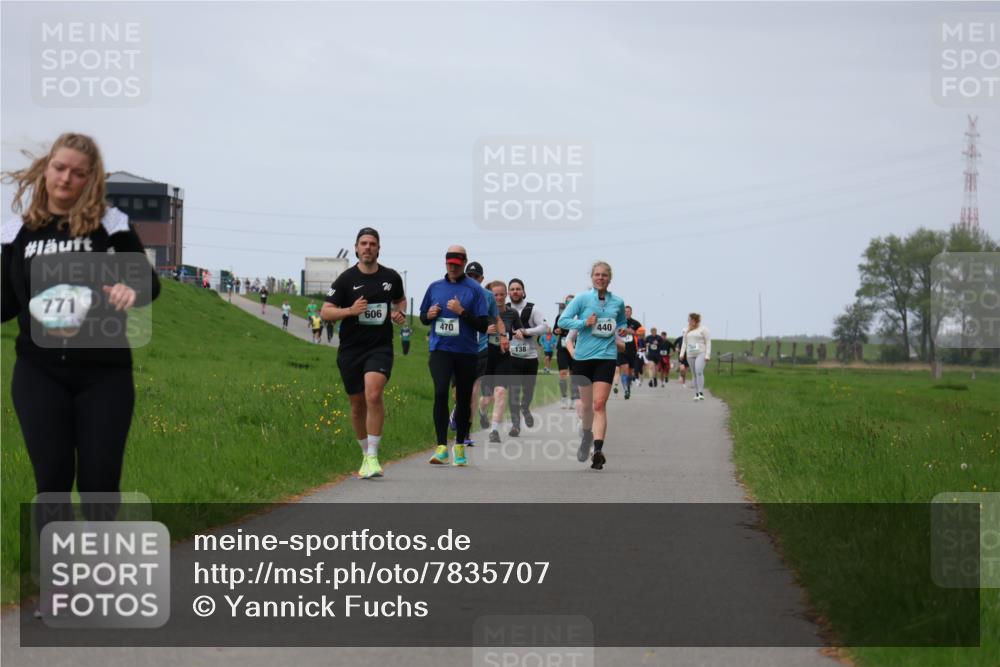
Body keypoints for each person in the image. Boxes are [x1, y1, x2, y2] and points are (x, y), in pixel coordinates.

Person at [1, 133, 161, 533]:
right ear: (46, 168)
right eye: (60, 168)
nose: (66, 179)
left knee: (99, 487)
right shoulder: (17, 231)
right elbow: (6, 303)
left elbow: (148, 283)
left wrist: (131, 286)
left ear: (91, 178)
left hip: (104, 374)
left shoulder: (110, 224)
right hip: (39, 373)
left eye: (78, 173)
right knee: (52, 481)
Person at [322, 228, 406, 479]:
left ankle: (373, 456)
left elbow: (400, 300)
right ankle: (364, 456)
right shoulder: (345, 279)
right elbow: (326, 312)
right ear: (357, 248)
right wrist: (350, 310)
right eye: (363, 243)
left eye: (372, 244)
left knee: (373, 392)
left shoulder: (391, 277)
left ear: (379, 248)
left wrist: (399, 312)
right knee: (357, 405)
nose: (368, 247)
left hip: (379, 347)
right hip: (350, 350)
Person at [419, 246, 489, 467]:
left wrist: (462, 312)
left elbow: (483, 325)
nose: (453, 266)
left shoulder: (474, 290)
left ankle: (459, 444)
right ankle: (441, 447)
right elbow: (422, 317)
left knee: (463, 398)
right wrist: (428, 315)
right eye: (450, 262)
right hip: (440, 349)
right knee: (440, 392)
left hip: (466, 352)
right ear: (445, 262)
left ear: (464, 263)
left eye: (458, 263)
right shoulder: (435, 287)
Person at [557, 261, 627, 471]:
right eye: (597, 275)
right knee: (587, 407)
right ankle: (586, 437)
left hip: (606, 356)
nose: (600, 278)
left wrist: (622, 330)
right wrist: (584, 323)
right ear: (592, 277)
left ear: (610, 278)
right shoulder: (582, 298)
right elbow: (563, 321)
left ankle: (597, 450)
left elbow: (621, 322)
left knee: (599, 405)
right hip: (583, 358)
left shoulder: (618, 302)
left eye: (604, 275)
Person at [460, 261, 505, 437]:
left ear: (481, 278)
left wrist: (502, 338)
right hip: (460, 347)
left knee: (474, 391)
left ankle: (466, 432)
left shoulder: (488, 296)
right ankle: (462, 418)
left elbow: (497, 319)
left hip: (482, 348)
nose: (472, 279)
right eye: (469, 276)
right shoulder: (456, 291)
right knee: (463, 394)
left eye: (476, 277)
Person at [482, 281, 523, 442]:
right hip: (485, 357)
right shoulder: (483, 312)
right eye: (495, 295)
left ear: (506, 295)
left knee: (500, 392)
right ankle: (482, 412)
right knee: (486, 399)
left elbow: (518, 329)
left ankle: (494, 431)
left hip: (504, 357)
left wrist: (519, 333)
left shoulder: (512, 314)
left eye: (501, 294)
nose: (498, 298)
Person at [505, 278, 546, 436]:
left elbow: (544, 327)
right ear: (508, 292)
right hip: (512, 356)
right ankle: (515, 425)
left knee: (528, 391)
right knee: (513, 391)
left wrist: (526, 331)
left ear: (523, 291)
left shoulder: (533, 309)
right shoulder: (504, 309)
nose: (515, 291)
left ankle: (525, 407)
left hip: (530, 357)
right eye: (512, 289)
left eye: (518, 289)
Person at [553, 295, 578, 409]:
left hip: (575, 348)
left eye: (572, 302)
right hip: (562, 348)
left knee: (574, 375)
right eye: (568, 302)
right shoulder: (560, 316)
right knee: (563, 373)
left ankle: (573, 398)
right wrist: (557, 330)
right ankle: (564, 397)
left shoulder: (579, 316)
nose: (570, 303)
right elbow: (554, 330)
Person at [680, 313, 711, 401]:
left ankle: (701, 392)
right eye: (688, 320)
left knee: (699, 371)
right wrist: (681, 354)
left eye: (689, 319)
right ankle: (697, 393)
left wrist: (707, 354)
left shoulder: (703, 329)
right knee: (694, 374)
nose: (688, 321)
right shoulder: (687, 330)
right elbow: (684, 342)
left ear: (695, 320)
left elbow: (708, 342)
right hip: (690, 354)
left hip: (701, 353)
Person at [614, 305, 642, 400]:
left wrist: (633, 332)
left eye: (628, 311)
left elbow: (642, 334)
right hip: (622, 350)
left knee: (630, 372)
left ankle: (628, 387)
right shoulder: (618, 322)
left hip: (632, 350)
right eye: (625, 311)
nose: (626, 313)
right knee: (624, 369)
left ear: (631, 312)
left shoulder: (635, 323)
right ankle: (625, 389)